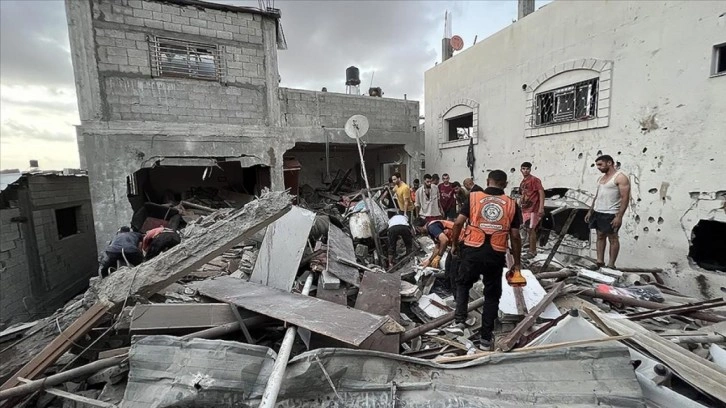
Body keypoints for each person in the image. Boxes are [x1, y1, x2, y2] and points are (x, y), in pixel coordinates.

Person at [449, 170, 523, 350]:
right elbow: (515, 236)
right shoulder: (512, 204)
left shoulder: (474, 198)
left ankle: (460, 322)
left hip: (472, 249)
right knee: (491, 295)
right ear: (504, 184)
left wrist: (454, 245)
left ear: (487, 181)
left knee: (463, 283)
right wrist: (517, 261)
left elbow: (458, 223)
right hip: (495, 254)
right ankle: (485, 339)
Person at [585, 155, 631, 268]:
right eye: (597, 165)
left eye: (600, 164)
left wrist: (619, 216)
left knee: (613, 238)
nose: (598, 167)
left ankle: (611, 264)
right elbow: (597, 195)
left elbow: (625, 198)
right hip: (598, 211)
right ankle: (599, 261)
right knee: (600, 236)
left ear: (609, 163)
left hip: (611, 213)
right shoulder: (601, 178)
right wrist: (590, 211)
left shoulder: (620, 177)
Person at [413, 217, 465, 297]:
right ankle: (448, 288)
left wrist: (439, 256)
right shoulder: (432, 229)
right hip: (457, 244)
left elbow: (444, 240)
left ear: (418, 228)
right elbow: (437, 247)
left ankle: (455, 295)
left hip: (463, 242)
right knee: (448, 265)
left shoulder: (432, 227)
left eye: (418, 230)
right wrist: (429, 260)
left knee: (453, 269)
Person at [519, 162, 545, 259]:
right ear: (521, 170)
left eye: (527, 169)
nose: (525, 171)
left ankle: (532, 251)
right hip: (525, 208)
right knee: (527, 228)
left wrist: (541, 207)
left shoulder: (534, 180)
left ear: (530, 170)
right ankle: (529, 247)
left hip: (533, 208)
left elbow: (541, 193)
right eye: (524, 168)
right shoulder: (523, 181)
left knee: (531, 229)